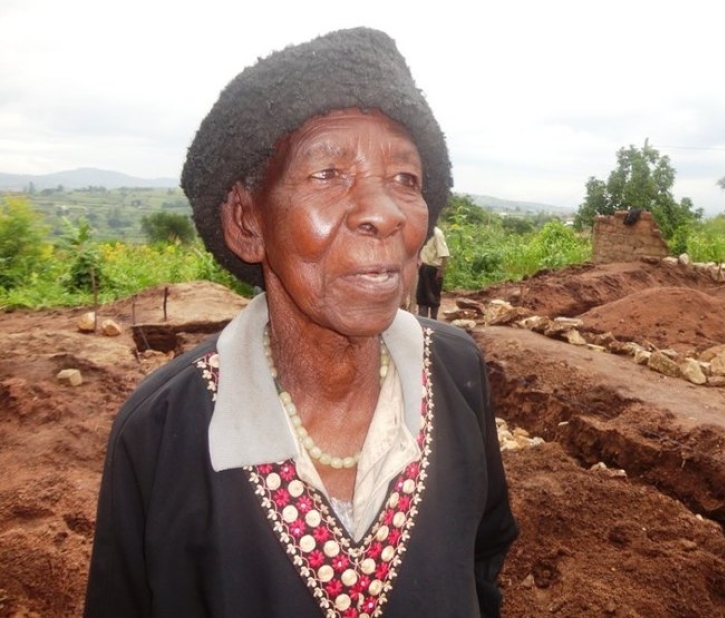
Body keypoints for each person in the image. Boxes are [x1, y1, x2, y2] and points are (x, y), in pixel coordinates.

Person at [83, 27, 517, 618]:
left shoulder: (457, 371)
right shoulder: (160, 432)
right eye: (327, 174)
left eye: (405, 180)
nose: (384, 214)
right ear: (246, 222)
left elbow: (483, 556)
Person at [415, 225, 450, 319]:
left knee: (433, 298)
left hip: (433, 269)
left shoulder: (437, 234)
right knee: (421, 297)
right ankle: (423, 323)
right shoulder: (424, 231)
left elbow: (445, 255)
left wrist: (441, 271)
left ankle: (433, 322)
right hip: (423, 267)